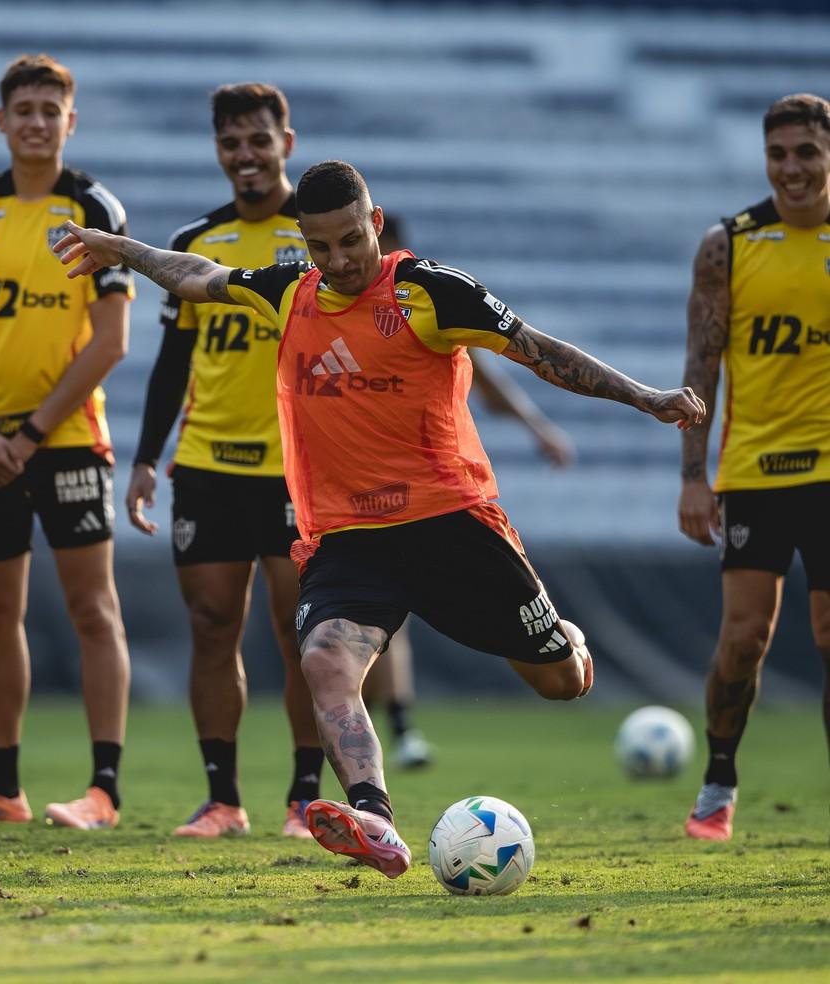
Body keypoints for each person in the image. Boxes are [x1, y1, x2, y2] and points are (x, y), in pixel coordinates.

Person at [54, 159, 705, 877]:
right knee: (325, 660)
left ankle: (567, 641)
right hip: (349, 538)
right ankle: (376, 819)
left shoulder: (429, 290)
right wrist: (125, 251)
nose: (336, 262)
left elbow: (539, 351)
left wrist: (646, 398)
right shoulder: (289, 295)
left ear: (375, 222)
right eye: (318, 248)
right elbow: (197, 275)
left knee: (560, 680)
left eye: (348, 242)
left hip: (451, 524)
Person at [0, 54, 134, 830]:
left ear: (70, 121)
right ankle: (1, 789)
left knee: (93, 609)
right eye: (24, 108)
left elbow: (111, 341)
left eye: (51, 109)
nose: (36, 121)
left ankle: (104, 793)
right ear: (1, 120)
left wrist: (25, 434)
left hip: (68, 439)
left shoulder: (95, 208)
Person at [127, 82, 322, 838]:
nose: (245, 155)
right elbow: (172, 362)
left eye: (258, 141)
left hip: (296, 468)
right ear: (219, 151)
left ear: (286, 144)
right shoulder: (195, 240)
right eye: (231, 143)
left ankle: (306, 798)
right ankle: (222, 799)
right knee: (211, 626)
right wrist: (146, 458)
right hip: (207, 465)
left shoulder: (316, 239)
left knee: (298, 628)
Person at [365, 216, 574, 769]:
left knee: (557, 677)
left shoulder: (421, 307)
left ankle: (399, 731)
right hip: (354, 493)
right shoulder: (322, 307)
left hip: (436, 498)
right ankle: (380, 750)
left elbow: (490, 377)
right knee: (356, 624)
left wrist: (538, 430)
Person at [678, 93, 830, 841]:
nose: (792, 169)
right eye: (779, 155)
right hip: (755, 473)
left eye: (806, 152)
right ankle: (719, 777)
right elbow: (699, 368)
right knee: (744, 639)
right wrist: (691, 475)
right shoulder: (730, 244)